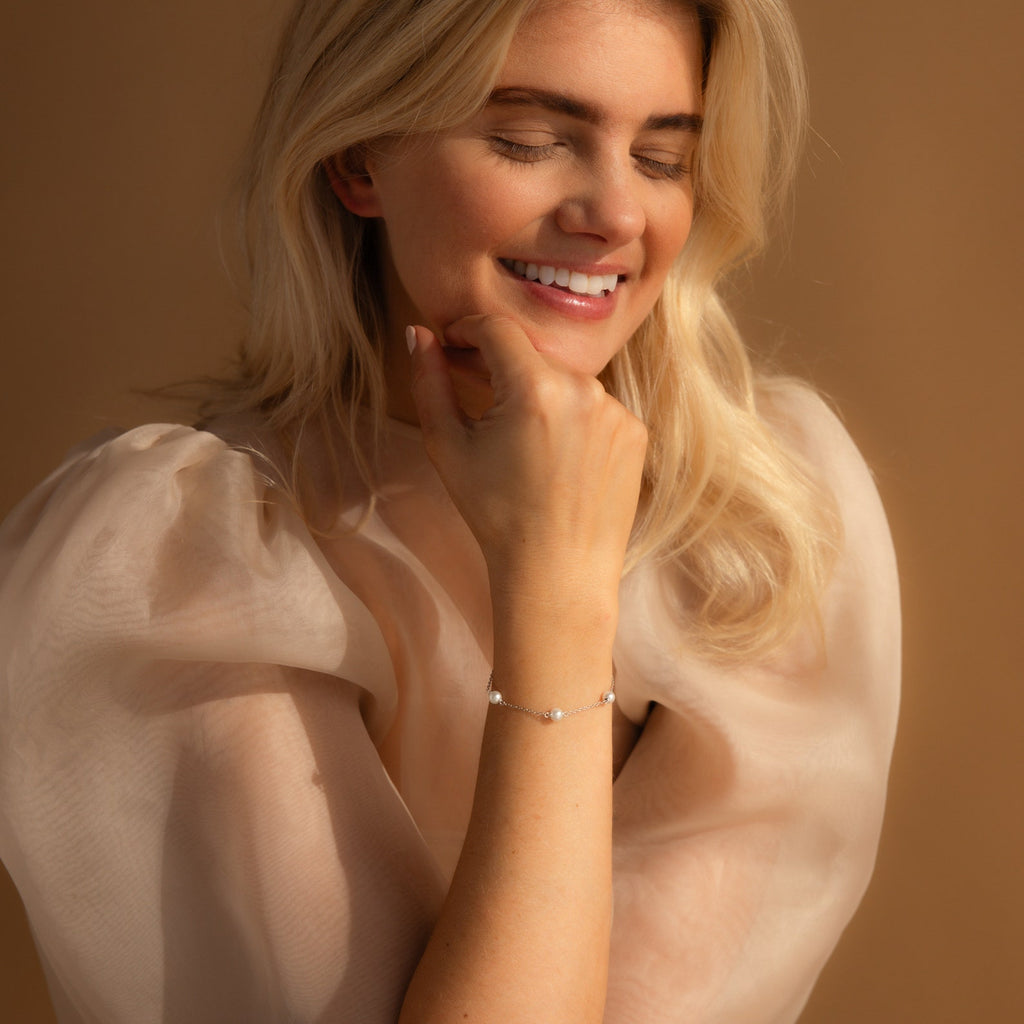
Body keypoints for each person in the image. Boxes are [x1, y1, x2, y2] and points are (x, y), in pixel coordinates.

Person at [0, 0, 900, 1020]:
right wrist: (554, 603)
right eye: (529, 140)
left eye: (661, 159)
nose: (613, 212)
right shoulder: (156, 570)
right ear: (358, 159)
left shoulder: (761, 527)